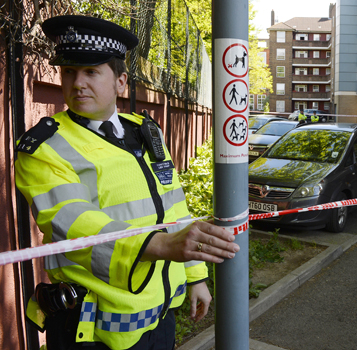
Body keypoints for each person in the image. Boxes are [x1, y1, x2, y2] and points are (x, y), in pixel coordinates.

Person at [15, 15, 239, 350]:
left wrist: (195, 276)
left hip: (161, 320)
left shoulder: (145, 131)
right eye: (69, 72)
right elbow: (72, 223)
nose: (77, 84)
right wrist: (162, 246)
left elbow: (175, 207)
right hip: (93, 331)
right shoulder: (45, 147)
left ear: (121, 82)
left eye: (91, 72)